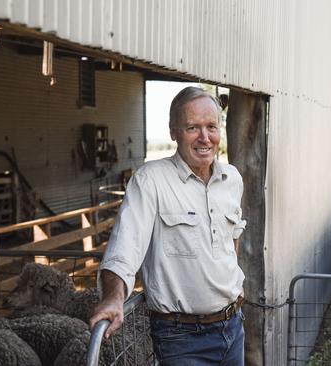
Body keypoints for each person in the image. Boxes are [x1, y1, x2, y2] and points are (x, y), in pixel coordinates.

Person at [89, 86, 247, 365]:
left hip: (233, 327)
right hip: (181, 337)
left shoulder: (231, 179)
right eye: (192, 127)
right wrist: (114, 298)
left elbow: (232, 240)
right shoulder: (151, 180)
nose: (204, 137)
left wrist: (230, 283)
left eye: (211, 126)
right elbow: (124, 249)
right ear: (174, 132)